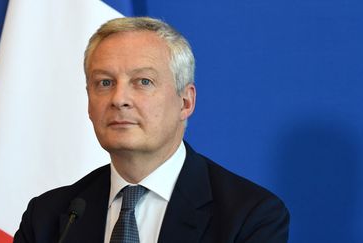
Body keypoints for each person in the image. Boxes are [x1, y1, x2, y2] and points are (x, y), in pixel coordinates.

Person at [14, 17, 289, 243]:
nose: (119, 98)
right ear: (89, 102)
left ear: (186, 101)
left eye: (143, 81)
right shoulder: (48, 218)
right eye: (105, 83)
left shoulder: (249, 216)